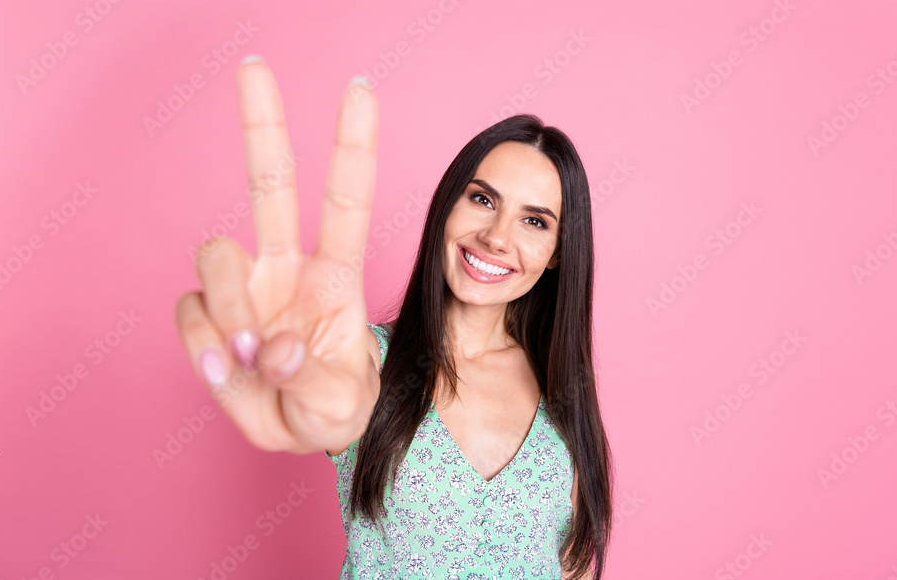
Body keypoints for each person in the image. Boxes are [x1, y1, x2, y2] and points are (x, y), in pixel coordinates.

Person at [174, 56, 613, 579]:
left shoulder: (561, 384)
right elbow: (335, 396)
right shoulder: (361, 359)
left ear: (558, 252)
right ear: (447, 205)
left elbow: (572, 569)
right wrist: (298, 369)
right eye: (481, 199)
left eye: (535, 221)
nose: (497, 237)